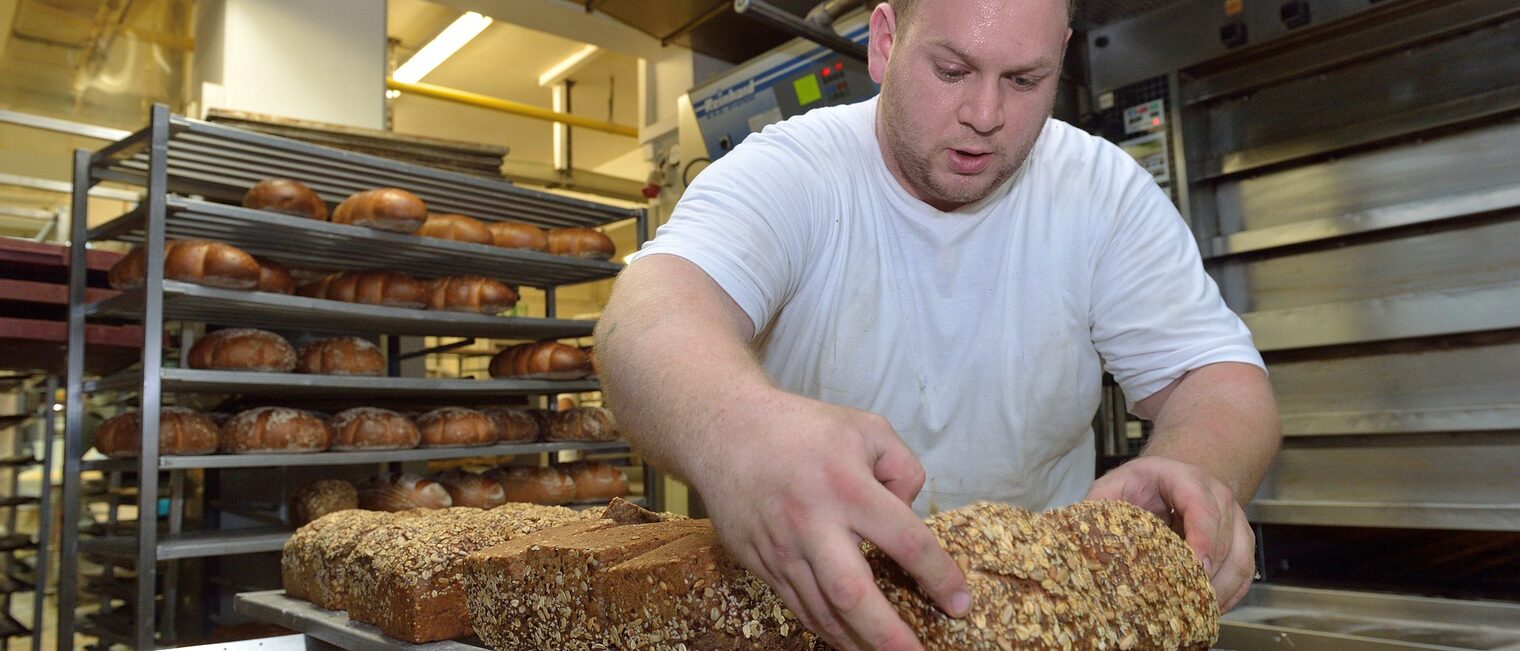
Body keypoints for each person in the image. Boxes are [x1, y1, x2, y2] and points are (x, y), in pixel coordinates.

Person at [594, 0, 1281, 648]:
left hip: (1035, 624)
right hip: (802, 618)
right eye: (952, 70)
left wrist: (1189, 471)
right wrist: (740, 433)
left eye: (1024, 79)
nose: (985, 113)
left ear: (1061, 57)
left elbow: (1216, 378)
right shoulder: (796, 170)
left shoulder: (1100, 190)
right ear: (886, 41)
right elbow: (647, 316)